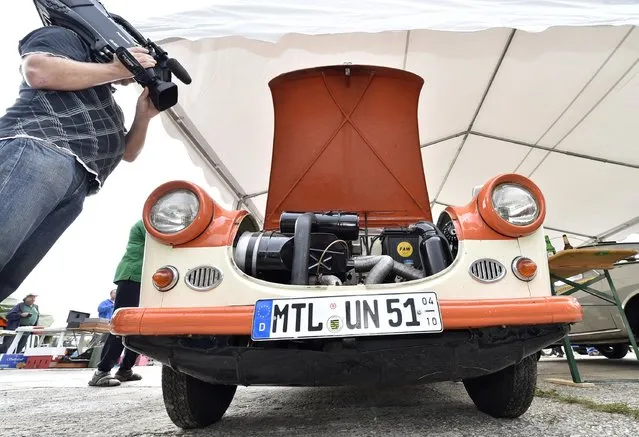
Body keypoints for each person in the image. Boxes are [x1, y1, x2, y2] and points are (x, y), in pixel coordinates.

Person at [0, 25, 160, 303]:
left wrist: (143, 116)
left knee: (8, 276)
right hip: (39, 151)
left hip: (77, 182)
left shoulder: (104, 98)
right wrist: (118, 69)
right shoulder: (67, 37)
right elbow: (38, 70)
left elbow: (129, 152)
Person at [89, 220, 145, 387]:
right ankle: (102, 371)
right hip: (132, 276)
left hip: (148, 278)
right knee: (122, 325)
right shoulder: (148, 223)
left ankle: (125, 369)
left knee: (141, 327)